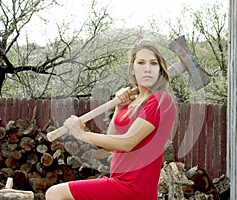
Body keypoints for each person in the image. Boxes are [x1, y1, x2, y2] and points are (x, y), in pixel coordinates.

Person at [45, 39, 177, 200]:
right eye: (141, 63)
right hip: (119, 181)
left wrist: (82, 134)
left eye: (153, 63)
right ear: (132, 69)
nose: (147, 69)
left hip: (133, 188)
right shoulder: (134, 101)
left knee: (55, 193)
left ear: (160, 69)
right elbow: (112, 137)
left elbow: (127, 143)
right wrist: (119, 108)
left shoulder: (160, 100)